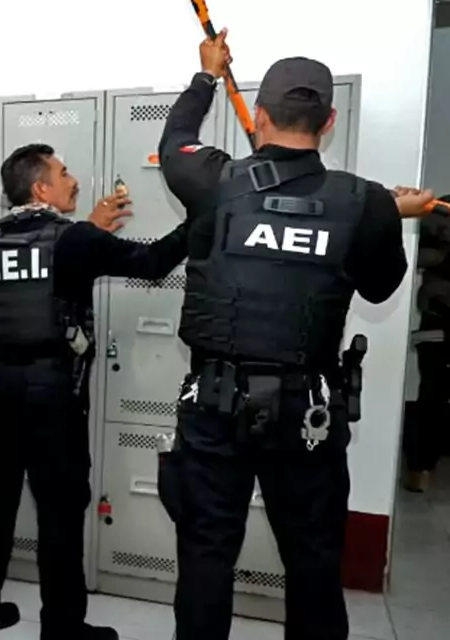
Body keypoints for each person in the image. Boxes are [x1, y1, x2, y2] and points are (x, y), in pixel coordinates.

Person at [156, 30, 435, 640]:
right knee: (312, 565)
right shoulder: (365, 203)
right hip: (305, 415)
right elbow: (380, 289)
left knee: (205, 559)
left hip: (214, 406)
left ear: (259, 116)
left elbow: (174, 140)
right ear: (328, 122)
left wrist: (207, 75)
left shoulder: (211, 179)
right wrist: (389, 216)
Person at [0, 143, 187, 640]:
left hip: (0, 386)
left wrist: (89, 234)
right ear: (42, 188)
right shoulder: (73, 239)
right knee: (60, 509)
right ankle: (63, 628)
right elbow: (152, 262)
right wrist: (201, 222)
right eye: (64, 173)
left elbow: (34, 272)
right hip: (52, 392)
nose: (75, 180)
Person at [407, 199, 450, 492]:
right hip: (440, 315)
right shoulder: (441, 207)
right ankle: (420, 468)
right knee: (432, 395)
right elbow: (415, 252)